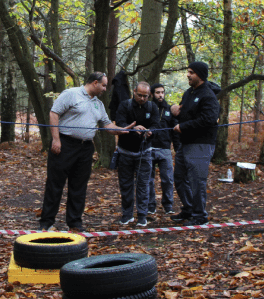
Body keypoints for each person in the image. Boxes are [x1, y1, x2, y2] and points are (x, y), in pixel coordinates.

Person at [39, 72, 136, 232]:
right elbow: (54, 113)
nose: (105, 89)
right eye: (104, 85)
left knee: (79, 186)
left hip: (85, 149)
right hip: (65, 144)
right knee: (55, 184)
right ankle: (46, 222)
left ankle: (75, 223)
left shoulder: (98, 104)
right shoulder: (71, 94)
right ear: (95, 83)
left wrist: (122, 130)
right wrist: (56, 139)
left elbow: (106, 124)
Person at [170, 61, 220, 226]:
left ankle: (200, 216)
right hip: (185, 144)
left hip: (201, 144)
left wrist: (183, 126)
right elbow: (185, 114)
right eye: (188, 71)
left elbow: (209, 119)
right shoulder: (188, 93)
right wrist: (176, 112)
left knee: (197, 180)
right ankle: (189, 209)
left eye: (191, 72)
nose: (188, 75)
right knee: (179, 177)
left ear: (200, 75)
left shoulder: (208, 95)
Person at [114, 81, 159, 227]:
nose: (142, 98)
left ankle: (142, 215)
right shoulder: (124, 105)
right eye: (139, 95)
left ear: (149, 95)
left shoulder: (153, 107)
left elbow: (156, 125)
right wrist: (133, 129)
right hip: (125, 152)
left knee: (143, 185)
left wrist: (150, 131)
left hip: (144, 152)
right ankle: (127, 214)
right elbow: (119, 123)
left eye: (145, 96)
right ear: (134, 92)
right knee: (126, 185)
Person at [148, 83, 179, 217]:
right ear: (152, 94)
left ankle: (168, 206)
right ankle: (150, 206)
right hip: (148, 148)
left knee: (167, 179)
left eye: (162, 92)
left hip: (165, 149)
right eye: (157, 93)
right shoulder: (147, 108)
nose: (160, 95)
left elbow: (175, 131)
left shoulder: (169, 109)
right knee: (148, 179)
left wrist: (177, 149)